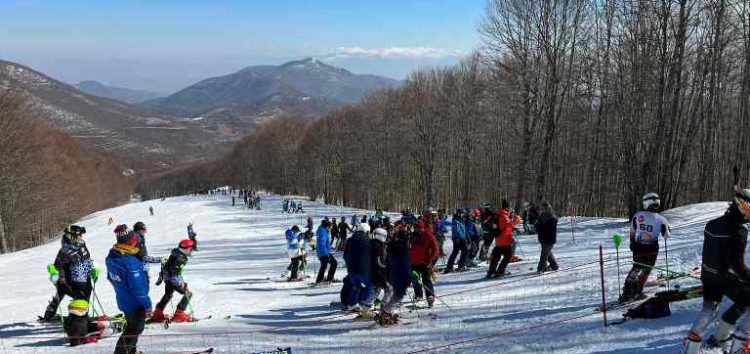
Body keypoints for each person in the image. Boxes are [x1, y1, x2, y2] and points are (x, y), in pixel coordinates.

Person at [682, 187, 750, 354]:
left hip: (708, 273)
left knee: (709, 309)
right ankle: (740, 345)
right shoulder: (739, 230)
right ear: (743, 206)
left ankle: (691, 347)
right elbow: (736, 264)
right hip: (723, 277)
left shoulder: (713, 223)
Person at [107, 224, 152, 354]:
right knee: (135, 329)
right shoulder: (130, 262)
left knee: (132, 327)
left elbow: (110, 277)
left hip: (123, 299)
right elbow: (138, 289)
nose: (136, 240)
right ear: (130, 241)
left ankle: (131, 351)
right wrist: (147, 305)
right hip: (135, 302)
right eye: (134, 238)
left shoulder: (112, 255)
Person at [619, 192, 671, 303]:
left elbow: (632, 231)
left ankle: (627, 291)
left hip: (638, 245)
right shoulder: (661, 219)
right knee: (647, 269)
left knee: (636, 267)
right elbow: (667, 235)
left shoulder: (638, 215)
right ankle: (637, 291)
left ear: (647, 203)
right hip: (652, 247)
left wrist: (632, 242)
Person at [42, 225, 96, 322]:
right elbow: (57, 266)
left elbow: (86, 259)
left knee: (86, 293)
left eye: (81, 235)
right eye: (79, 235)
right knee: (78, 296)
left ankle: (82, 314)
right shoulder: (64, 251)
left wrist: (92, 270)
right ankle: (76, 317)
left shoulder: (82, 245)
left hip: (83, 277)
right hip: (69, 280)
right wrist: (57, 276)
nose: (81, 237)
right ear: (72, 236)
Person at [152, 240, 196, 323]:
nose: (191, 251)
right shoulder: (181, 258)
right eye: (190, 249)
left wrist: (163, 277)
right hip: (173, 279)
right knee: (188, 293)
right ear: (186, 249)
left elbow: (167, 265)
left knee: (168, 294)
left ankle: (158, 313)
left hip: (167, 278)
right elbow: (174, 274)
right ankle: (179, 314)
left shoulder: (175, 252)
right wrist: (181, 285)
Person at [341, 223, 373, 313]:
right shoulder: (368, 240)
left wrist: (349, 263)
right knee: (370, 286)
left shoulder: (350, 240)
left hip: (351, 268)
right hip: (364, 268)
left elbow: (345, 255)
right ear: (366, 231)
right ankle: (364, 302)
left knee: (356, 286)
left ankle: (352, 304)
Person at [411, 210, 439, 307]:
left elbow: (435, 250)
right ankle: (418, 296)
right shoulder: (412, 236)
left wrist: (430, 261)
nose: (415, 229)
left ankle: (430, 296)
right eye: (414, 228)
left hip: (425, 263)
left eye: (416, 228)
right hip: (413, 263)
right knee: (415, 279)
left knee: (426, 280)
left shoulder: (428, 235)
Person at [487, 200, 521, 278]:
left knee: (496, 257)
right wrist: (517, 219)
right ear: (507, 207)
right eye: (509, 207)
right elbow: (509, 224)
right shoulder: (503, 215)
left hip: (499, 239)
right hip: (504, 240)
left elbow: (505, 226)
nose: (510, 208)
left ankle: (491, 272)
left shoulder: (499, 214)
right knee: (508, 256)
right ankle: (500, 271)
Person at [535, 203, 559, 273]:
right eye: (542, 209)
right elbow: (539, 226)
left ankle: (541, 268)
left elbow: (550, 229)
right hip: (542, 238)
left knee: (544, 254)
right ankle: (554, 265)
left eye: (544, 208)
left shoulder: (552, 217)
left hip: (549, 239)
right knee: (547, 253)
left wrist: (541, 225)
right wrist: (537, 225)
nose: (543, 210)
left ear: (548, 209)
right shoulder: (541, 216)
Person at [370, 228, 390, 308]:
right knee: (389, 288)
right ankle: (385, 306)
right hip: (378, 272)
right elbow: (379, 262)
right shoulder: (379, 246)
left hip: (372, 272)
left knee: (377, 290)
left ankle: (368, 304)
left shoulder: (370, 243)